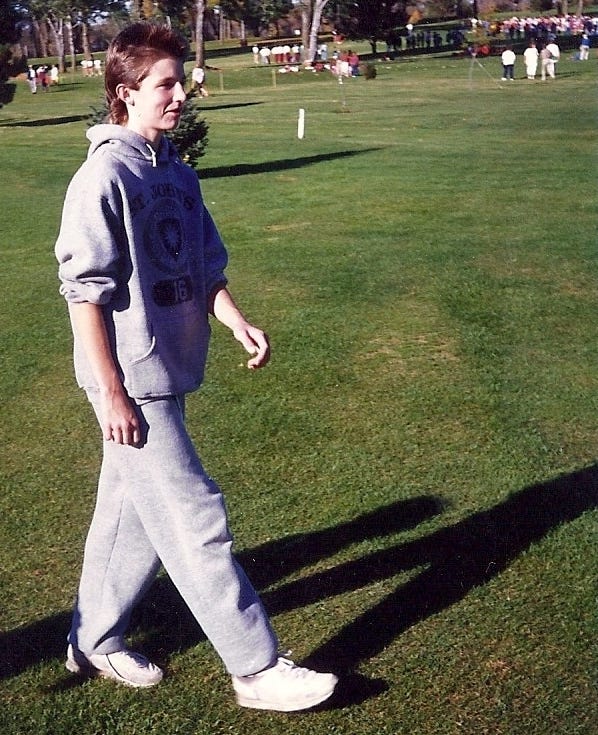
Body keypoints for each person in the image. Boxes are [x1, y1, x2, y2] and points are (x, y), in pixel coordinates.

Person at [54, 21, 337, 713]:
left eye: (181, 81)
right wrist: (113, 391)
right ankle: (256, 667)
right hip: (129, 383)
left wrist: (236, 319)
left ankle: (94, 637)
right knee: (194, 516)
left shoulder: (175, 170)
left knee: (130, 519)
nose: (180, 94)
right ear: (124, 94)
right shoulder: (103, 176)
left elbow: (204, 263)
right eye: (165, 84)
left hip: (169, 370)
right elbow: (83, 293)